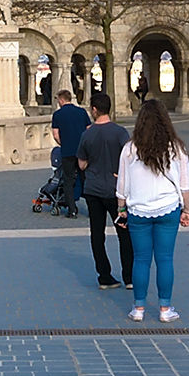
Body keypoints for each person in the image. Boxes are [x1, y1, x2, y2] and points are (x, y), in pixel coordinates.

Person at [117, 101, 189, 323]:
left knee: (140, 259)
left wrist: (121, 209)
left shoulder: (130, 149)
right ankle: (165, 309)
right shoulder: (177, 148)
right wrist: (186, 210)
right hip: (168, 208)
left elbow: (122, 185)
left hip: (138, 210)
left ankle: (138, 308)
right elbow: (185, 184)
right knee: (165, 259)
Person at [76, 94, 133, 291]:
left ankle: (104, 275)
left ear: (94, 109)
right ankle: (129, 276)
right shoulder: (120, 133)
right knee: (124, 234)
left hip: (93, 189)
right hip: (116, 189)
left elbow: (81, 165)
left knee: (97, 234)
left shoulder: (87, 134)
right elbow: (131, 159)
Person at [49, 89, 90, 216]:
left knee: (68, 179)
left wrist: (64, 143)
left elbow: (55, 134)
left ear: (61, 100)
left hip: (67, 151)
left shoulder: (58, 114)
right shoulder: (82, 112)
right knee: (84, 179)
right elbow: (89, 130)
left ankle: (71, 209)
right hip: (82, 151)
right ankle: (91, 209)